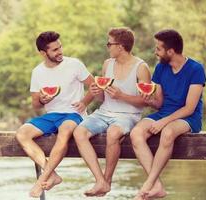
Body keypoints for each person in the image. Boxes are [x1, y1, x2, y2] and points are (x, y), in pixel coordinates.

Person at [73, 27, 151, 197]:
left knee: (113, 132)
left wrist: (122, 95)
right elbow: (102, 98)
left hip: (129, 116)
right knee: (79, 132)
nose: (107, 46)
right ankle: (99, 180)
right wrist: (96, 91)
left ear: (120, 46)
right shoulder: (107, 64)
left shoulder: (141, 67)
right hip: (103, 113)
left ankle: (107, 181)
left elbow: (146, 101)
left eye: (109, 44)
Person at [15, 31, 94, 198]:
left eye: (60, 47)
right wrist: (43, 100)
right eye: (55, 50)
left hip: (73, 113)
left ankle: (41, 181)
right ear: (43, 53)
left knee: (64, 131)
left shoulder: (74, 64)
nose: (60, 52)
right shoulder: (37, 72)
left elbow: (95, 86)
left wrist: (85, 102)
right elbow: (36, 105)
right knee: (22, 134)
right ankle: (53, 176)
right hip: (51, 116)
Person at [130, 29, 206, 200]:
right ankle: (157, 185)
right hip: (164, 114)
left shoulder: (196, 69)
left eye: (158, 49)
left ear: (170, 51)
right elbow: (159, 103)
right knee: (136, 133)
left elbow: (189, 108)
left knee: (168, 133)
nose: (155, 52)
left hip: (188, 118)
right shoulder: (160, 68)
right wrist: (149, 100)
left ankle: (147, 185)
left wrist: (164, 122)